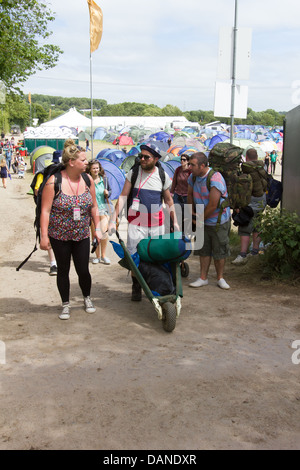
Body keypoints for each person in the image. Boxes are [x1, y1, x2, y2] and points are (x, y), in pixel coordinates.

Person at [39, 139, 102, 320]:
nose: (87, 163)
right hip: (59, 236)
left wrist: (96, 228)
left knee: (83, 269)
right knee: (63, 270)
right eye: (83, 160)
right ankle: (65, 304)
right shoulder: (54, 182)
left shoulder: (87, 179)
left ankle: (87, 298)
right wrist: (44, 237)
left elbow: (94, 207)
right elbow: (45, 211)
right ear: (71, 162)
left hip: (81, 234)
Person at [108, 142, 179, 301]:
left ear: (155, 158)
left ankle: (157, 284)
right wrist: (114, 220)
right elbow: (123, 197)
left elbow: (169, 201)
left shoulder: (162, 176)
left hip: (157, 225)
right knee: (135, 257)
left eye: (146, 157)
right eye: (141, 156)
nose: (142, 159)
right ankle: (136, 286)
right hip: (136, 224)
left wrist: (175, 223)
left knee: (156, 257)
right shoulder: (133, 173)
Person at [187, 152, 231, 289]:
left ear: (202, 165)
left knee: (219, 251)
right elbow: (189, 194)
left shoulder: (215, 178)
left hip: (218, 221)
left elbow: (213, 205)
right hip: (202, 219)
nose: (189, 167)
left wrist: (198, 220)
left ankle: (220, 278)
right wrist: (190, 212)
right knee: (203, 250)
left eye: (192, 165)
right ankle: (203, 278)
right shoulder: (192, 177)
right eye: (189, 164)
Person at [231, 148, 267, 265]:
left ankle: (242, 254)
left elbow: (242, 187)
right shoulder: (262, 167)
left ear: (246, 157)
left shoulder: (246, 168)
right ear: (257, 156)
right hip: (262, 201)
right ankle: (255, 251)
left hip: (250, 203)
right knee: (257, 226)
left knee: (244, 228)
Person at [86, 159, 112, 265]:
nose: (96, 170)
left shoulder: (104, 180)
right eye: (94, 168)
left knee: (104, 232)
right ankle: (97, 256)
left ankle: (103, 255)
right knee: (95, 233)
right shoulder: (87, 180)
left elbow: (110, 191)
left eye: (97, 168)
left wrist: (108, 193)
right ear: (90, 170)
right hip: (93, 211)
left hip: (104, 209)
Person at [170, 152, 192, 230]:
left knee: (185, 214)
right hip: (177, 194)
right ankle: (174, 228)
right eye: (181, 159)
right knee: (175, 212)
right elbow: (174, 182)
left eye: (184, 160)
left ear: (188, 161)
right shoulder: (178, 169)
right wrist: (171, 193)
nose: (182, 161)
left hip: (186, 195)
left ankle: (184, 230)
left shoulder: (190, 171)